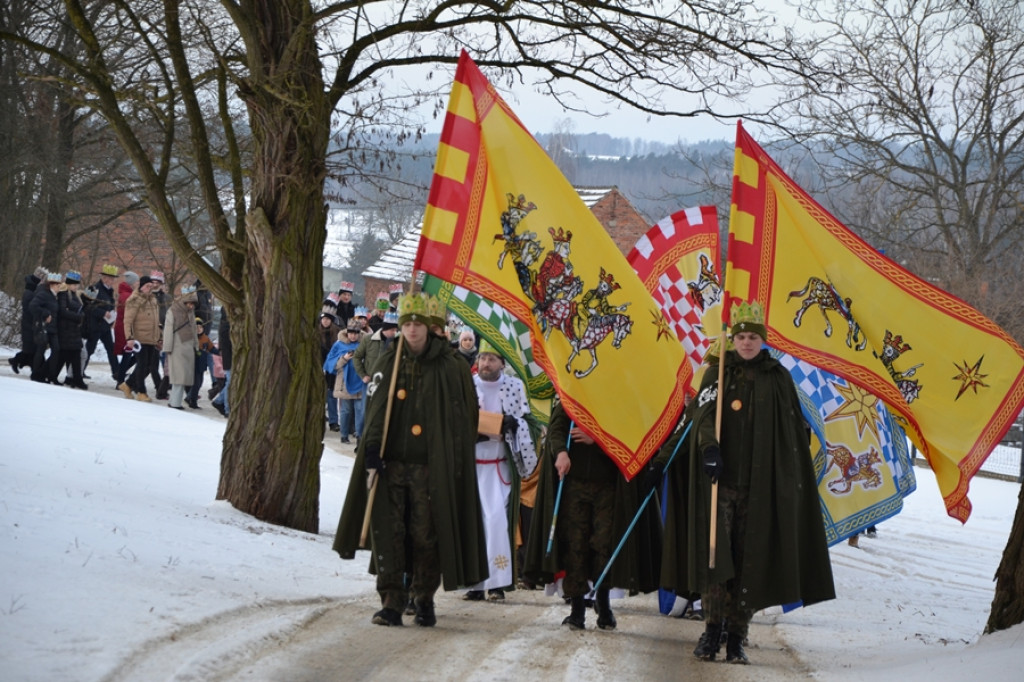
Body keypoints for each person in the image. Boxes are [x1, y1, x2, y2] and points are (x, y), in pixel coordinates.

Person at [660, 300, 835, 664]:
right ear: (733, 339)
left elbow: (792, 430)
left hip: (760, 488)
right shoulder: (717, 372)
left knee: (748, 561)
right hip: (719, 485)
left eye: (753, 337)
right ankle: (711, 631)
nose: (747, 343)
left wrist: (787, 468)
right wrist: (709, 449)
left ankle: (737, 636)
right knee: (715, 559)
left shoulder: (777, 378)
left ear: (762, 340)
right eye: (741, 336)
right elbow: (703, 417)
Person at [333, 292, 487, 628]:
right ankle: (391, 601)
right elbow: (374, 412)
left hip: (432, 468)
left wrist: (455, 460)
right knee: (389, 533)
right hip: (392, 466)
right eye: (407, 324)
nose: (412, 330)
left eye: (418, 324)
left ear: (431, 327)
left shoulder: (451, 367)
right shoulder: (389, 362)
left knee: (425, 535)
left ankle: (423, 596)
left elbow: (465, 418)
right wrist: (371, 450)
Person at [523, 398, 661, 631]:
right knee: (575, 545)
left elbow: (629, 436)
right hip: (574, 485)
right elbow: (557, 429)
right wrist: (561, 453)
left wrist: (597, 441)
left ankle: (603, 604)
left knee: (604, 544)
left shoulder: (620, 398)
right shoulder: (571, 393)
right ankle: (577, 609)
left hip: (609, 486)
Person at [463, 341, 538, 602]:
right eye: (483, 358)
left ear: (502, 363)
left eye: (492, 359)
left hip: (499, 466)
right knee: (474, 523)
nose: (485, 364)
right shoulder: (468, 384)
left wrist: (513, 425)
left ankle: (496, 583)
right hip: (473, 464)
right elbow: (457, 419)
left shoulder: (515, 387)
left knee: (496, 521)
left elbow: (528, 422)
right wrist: (471, 434)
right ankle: (474, 583)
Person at [121, 275, 162, 402]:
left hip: (151, 337)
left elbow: (156, 320)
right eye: (147, 286)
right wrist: (129, 337)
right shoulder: (134, 299)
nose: (149, 288)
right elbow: (128, 320)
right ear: (141, 287)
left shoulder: (153, 299)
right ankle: (141, 391)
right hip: (139, 338)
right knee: (142, 364)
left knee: (149, 366)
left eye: (151, 286)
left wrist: (159, 337)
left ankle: (128, 384)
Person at [352, 310, 398, 422]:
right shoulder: (369, 339)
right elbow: (357, 357)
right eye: (392, 330)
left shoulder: (397, 343)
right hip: (370, 381)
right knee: (364, 411)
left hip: (388, 381)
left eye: (396, 330)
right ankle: (360, 436)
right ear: (386, 329)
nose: (395, 332)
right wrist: (363, 375)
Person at [326, 320, 365, 444]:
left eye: (356, 333)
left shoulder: (365, 344)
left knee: (360, 409)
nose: (353, 335)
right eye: (351, 333)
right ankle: (344, 434)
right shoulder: (339, 344)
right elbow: (331, 364)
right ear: (347, 332)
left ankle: (359, 435)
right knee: (346, 410)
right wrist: (344, 359)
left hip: (360, 381)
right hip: (345, 382)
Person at [162, 286, 199, 410]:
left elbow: (194, 329)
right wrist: (167, 347)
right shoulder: (173, 311)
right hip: (177, 346)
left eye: (193, 304)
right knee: (179, 376)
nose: (192, 306)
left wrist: (195, 344)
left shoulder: (190, 312)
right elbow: (168, 330)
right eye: (190, 303)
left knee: (182, 376)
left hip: (187, 347)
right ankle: (175, 403)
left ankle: (174, 401)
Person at [82, 264, 120, 379]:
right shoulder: (94, 289)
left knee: (111, 349)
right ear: (104, 278)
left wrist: (112, 315)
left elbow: (109, 305)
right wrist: (103, 313)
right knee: (90, 348)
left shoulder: (110, 291)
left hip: (105, 326)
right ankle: (80, 369)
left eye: (113, 279)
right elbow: (87, 306)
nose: (112, 281)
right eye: (110, 278)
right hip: (95, 325)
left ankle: (117, 373)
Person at [9, 266, 47, 374]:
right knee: (30, 349)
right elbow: (29, 309)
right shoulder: (29, 292)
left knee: (31, 349)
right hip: (28, 324)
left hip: (31, 324)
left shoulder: (31, 291)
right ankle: (18, 361)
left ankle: (18, 362)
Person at [28, 272, 64, 384]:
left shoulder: (55, 297)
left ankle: (51, 375)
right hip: (43, 327)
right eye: (58, 285)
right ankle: (36, 374)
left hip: (53, 329)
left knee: (56, 350)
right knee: (41, 350)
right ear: (52, 285)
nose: (59, 287)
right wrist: (45, 313)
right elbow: (33, 306)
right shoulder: (44, 294)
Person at [54, 271, 88, 389]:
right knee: (66, 355)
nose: (76, 286)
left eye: (77, 284)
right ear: (68, 284)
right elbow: (63, 311)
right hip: (66, 329)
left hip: (74, 329)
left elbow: (78, 308)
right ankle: (52, 375)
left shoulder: (75, 295)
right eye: (74, 284)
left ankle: (76, 378)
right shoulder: (64, 294)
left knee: (75, 355)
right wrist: (77, 317)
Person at [114, 271, 139, 385]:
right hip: (125, 328)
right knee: (128, 353)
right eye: (137, 281)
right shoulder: (127, 296)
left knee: (130, 353)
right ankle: (120, 379)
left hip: (124, 327)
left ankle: (119, 374)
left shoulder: (127, 294)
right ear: (132, 283)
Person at [319, 311, 342, 431]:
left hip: (332, 368)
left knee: (331, 394)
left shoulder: (337, 334)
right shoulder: (317, 333)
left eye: (328, 319)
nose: (325, 321)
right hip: (320, 366)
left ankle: (333, 421)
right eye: (323, 319)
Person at [187, 317, 213, 409]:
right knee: (196, 383)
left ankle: (190, 397)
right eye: (196, 327)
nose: (198, 329)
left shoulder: (205, 338)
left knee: (200, 382)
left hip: (201, 365)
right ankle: (192, 401)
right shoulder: (191, 339)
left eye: (200, 327)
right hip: (193, 364)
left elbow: (211, 348)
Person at [211, 309, 232, 417]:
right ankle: (226, 407)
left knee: (230, 382)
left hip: (229, 358)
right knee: (230, 382)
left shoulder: (225, 325)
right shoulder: (226, 326)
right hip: (229, 359)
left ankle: (219, 401)